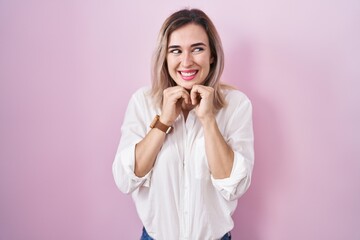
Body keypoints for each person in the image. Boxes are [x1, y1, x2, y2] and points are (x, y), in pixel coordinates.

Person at [112, 8, 254, 240]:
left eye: (197, 49)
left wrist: (208, 119)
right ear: (165, 57)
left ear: (212, 55)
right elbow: (125, 180)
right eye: (175, 50)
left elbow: (234, 185)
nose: (186, 61)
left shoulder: (236, 105)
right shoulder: (143, 102)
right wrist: (164, 121)